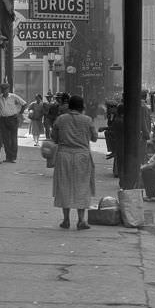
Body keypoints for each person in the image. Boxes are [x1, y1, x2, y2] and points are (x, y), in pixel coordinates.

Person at [51, 94, 98, 230]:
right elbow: (94, 138)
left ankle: (66, 220)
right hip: (82, 157)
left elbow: (54, 138)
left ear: (69, 106)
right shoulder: (88, 120)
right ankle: (81, 220)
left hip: (64, 155)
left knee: (64, 185)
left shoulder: (61, 119)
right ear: (82, 107)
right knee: (82, 186)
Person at [0, 82, 26, 162]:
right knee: (5, 139)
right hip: (3, 119)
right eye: (3, 89)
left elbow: (24, 104)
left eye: (5, 89)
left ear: (8, 89)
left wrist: (19, 113)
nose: (4, 91)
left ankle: (13, 157)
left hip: (12, 119)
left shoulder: (13, 96)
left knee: (13, 138)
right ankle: (8, 157)